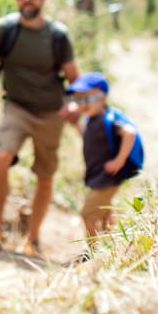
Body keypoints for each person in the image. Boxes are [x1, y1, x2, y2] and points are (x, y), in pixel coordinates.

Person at [0, 0, 80, 257]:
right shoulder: (4, 29)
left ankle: (33, 238)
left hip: (51, 114)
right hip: (16, 108)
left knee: (45, 176)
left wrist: (79, 107)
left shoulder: (57, 36)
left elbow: (74, 79)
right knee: (2, 156)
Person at [64, 71, 140, 239]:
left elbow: (129, 133)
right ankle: (112, 243)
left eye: (88, 99)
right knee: (105, 214)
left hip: (107, 177)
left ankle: (94, 250)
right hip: (98, 176)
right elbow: (88, 138)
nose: (83, 105)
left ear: (103, 97)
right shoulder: (91, 120)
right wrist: (76, 124)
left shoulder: (108, 119)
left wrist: (119, 161)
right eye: (78, 100)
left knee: (87, 214)